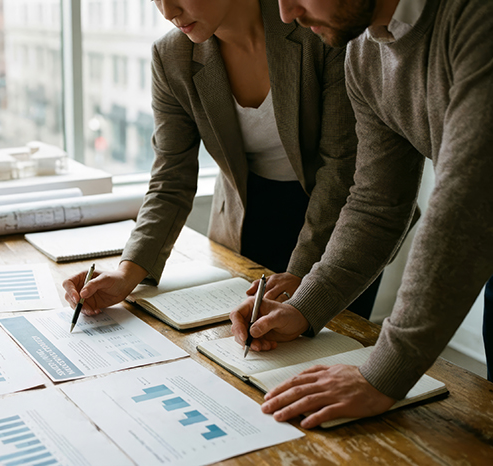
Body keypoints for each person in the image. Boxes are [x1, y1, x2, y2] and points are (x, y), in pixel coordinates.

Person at [230, 0, 493, 428]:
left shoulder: (476, 16)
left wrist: (383, 374)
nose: (284, 13)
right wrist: (305, 305)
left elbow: (468, 201)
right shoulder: (364, 54)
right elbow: (376, 204)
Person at [64, 0, 386, 320]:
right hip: (245, 220)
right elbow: (171, 177)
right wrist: (127, 273)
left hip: (340, 224)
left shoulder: (314, 24)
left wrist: (303, 273)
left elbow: (341, 167)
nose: (167, 11)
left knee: (331, 355)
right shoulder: (172, 56)